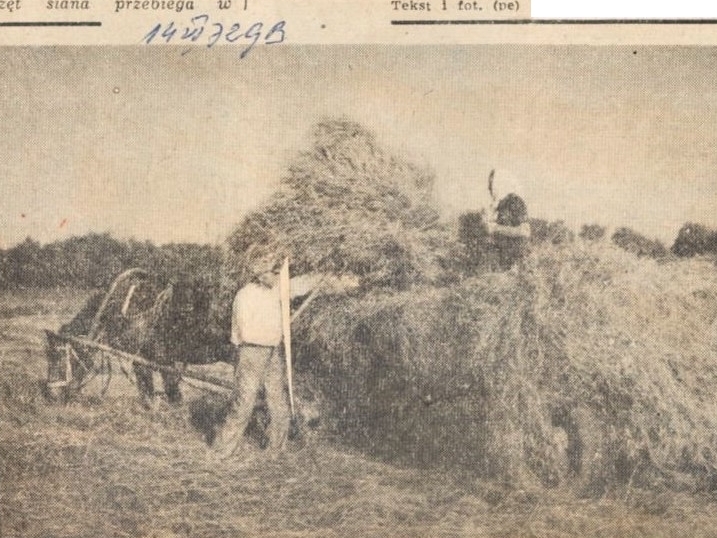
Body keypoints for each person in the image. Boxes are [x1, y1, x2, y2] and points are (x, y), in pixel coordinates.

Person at [214, 257, 323, 459]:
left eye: (276, 273)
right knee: (244, 400)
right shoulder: (244, 296)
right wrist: (274, 334)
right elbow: (245, 332)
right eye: (271, 274)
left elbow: (300, 285)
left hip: (273, 352)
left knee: (278, 400)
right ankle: (223, 450)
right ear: (259, 275)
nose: (275, 277)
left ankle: (276, 450)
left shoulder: (276, 290)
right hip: (251, 352)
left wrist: (325, 275)